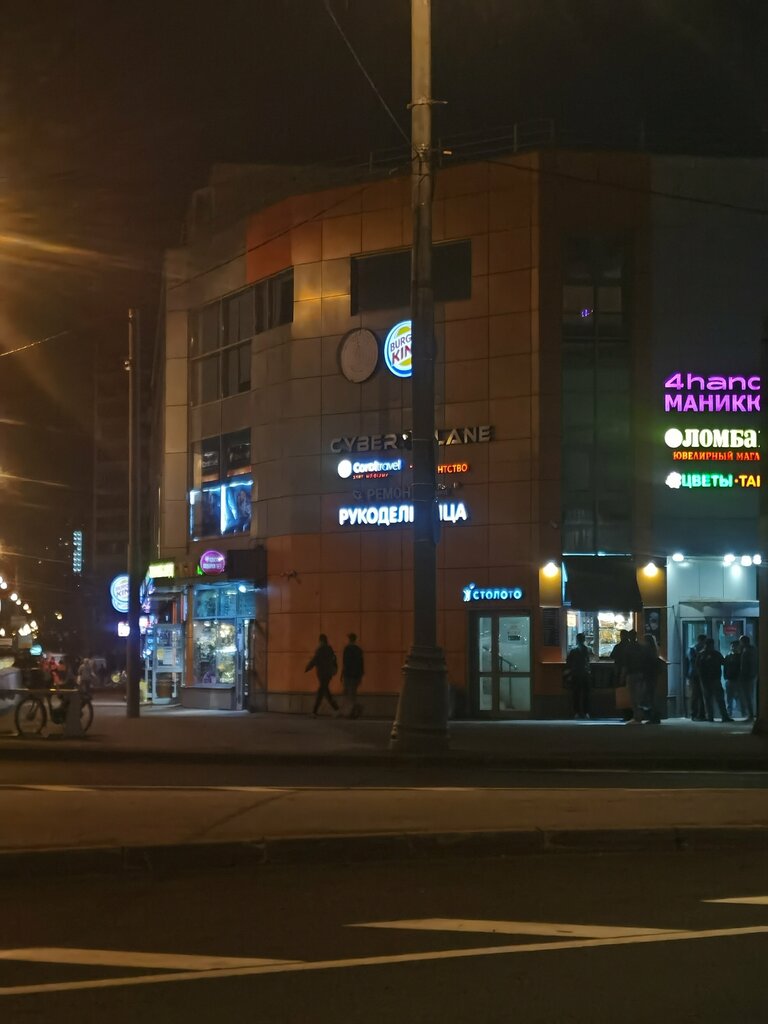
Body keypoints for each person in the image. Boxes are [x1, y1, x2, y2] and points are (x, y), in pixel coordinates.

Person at [697, 638, 732, 723]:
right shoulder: (715, 654)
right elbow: (724, 662)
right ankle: (723, 716)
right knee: (718, 698)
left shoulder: (702, 654)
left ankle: (710, 716)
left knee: (709, 699)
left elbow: (697, 667)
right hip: (713, 679)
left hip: (707, 679)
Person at [305, 633, 340, 717]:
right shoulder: (330, 649)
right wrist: (335, 669)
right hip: (328, 674)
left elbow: (315, 660)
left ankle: (314, 711)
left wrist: (308, 667)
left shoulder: (320, 650)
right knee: (326, 691)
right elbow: (334, 659)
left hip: (322, 674)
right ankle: (336, 709)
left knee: (321, 692)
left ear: (320, 641)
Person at [565, 632, 592, 719]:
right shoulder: (588, 649)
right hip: (585, 674)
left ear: (577, 640)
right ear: (584, 640)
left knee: (576, 694)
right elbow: (590, 660)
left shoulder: (573, 651)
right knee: (586, 694)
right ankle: (586, 712)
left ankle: (577, 712)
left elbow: (568, 662)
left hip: (576, 674)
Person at [623, 630, 646, 724]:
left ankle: (636, 717)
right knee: (638, 696)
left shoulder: (628, 648)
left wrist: (622, 675)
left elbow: (625, 663)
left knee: (633, 696)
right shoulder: (640, 647)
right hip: (640, 673)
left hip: (632, 673)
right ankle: (639, 716)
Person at [341, 633, 365, 719]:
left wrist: (342, 674)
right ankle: (352, 710)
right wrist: (361, 675)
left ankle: (352, 711)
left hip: (348, 674)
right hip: (356, 675)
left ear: (349, 639)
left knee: (348, 693)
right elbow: (361, 664)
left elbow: (345, 663)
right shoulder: (359, 650)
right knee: (352, 693)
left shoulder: (347, 649)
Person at [639, 634, 662, 724]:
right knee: (652, 696)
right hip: (653, 675)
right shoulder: (655, 650)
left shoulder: (646, 650)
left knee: (649, 696)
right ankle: (655, 716)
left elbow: (644, 662)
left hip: (647, 675)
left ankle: (653, 716)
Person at [686, 634, 707, 720]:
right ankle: (695, 714)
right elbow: (693, 661)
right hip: (695, 674)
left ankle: (700, 714)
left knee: (699, 695)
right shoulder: (693, 649)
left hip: (697, 674)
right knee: (696, 694)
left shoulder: (693, 649)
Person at [736, 634, 757, 721]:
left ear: (742, 642)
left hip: (746, 677)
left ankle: (750, 714)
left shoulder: (746, 651)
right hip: (752, 675)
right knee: (749, 695)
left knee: (747, 696)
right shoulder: (753, 650)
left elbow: (744, 666)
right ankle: (751, 713)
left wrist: (742, 675)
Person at [723, 640, 742, 719]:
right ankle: (729, 712)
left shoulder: (740, 656)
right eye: (732, 646)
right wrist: (725, 677)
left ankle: (739, 711)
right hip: (730, 679)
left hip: (737, 679)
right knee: (729, 697)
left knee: (738, 696)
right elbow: (725, 668)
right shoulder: (728, 656)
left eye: (735, 646)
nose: (733, 648)